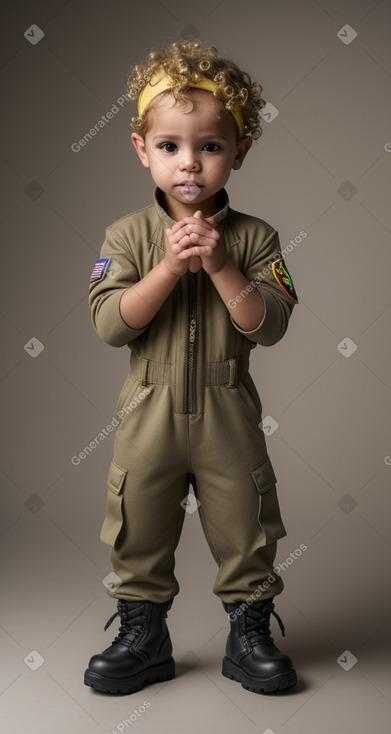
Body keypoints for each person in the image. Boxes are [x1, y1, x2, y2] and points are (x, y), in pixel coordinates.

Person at [84, 39, 299, 696]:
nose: (190, 164)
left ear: (238, 152)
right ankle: (142, 633)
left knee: (244, 521)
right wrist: (171, 266)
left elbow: (267, 325)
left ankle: (249, 631)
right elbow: (111, 324)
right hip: (146, 408)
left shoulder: (254, 237)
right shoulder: (126, 236)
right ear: (141, 149)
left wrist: (217, 264)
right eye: (171, 146)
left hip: (226, 405)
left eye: (209, 146)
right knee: (139, 519)